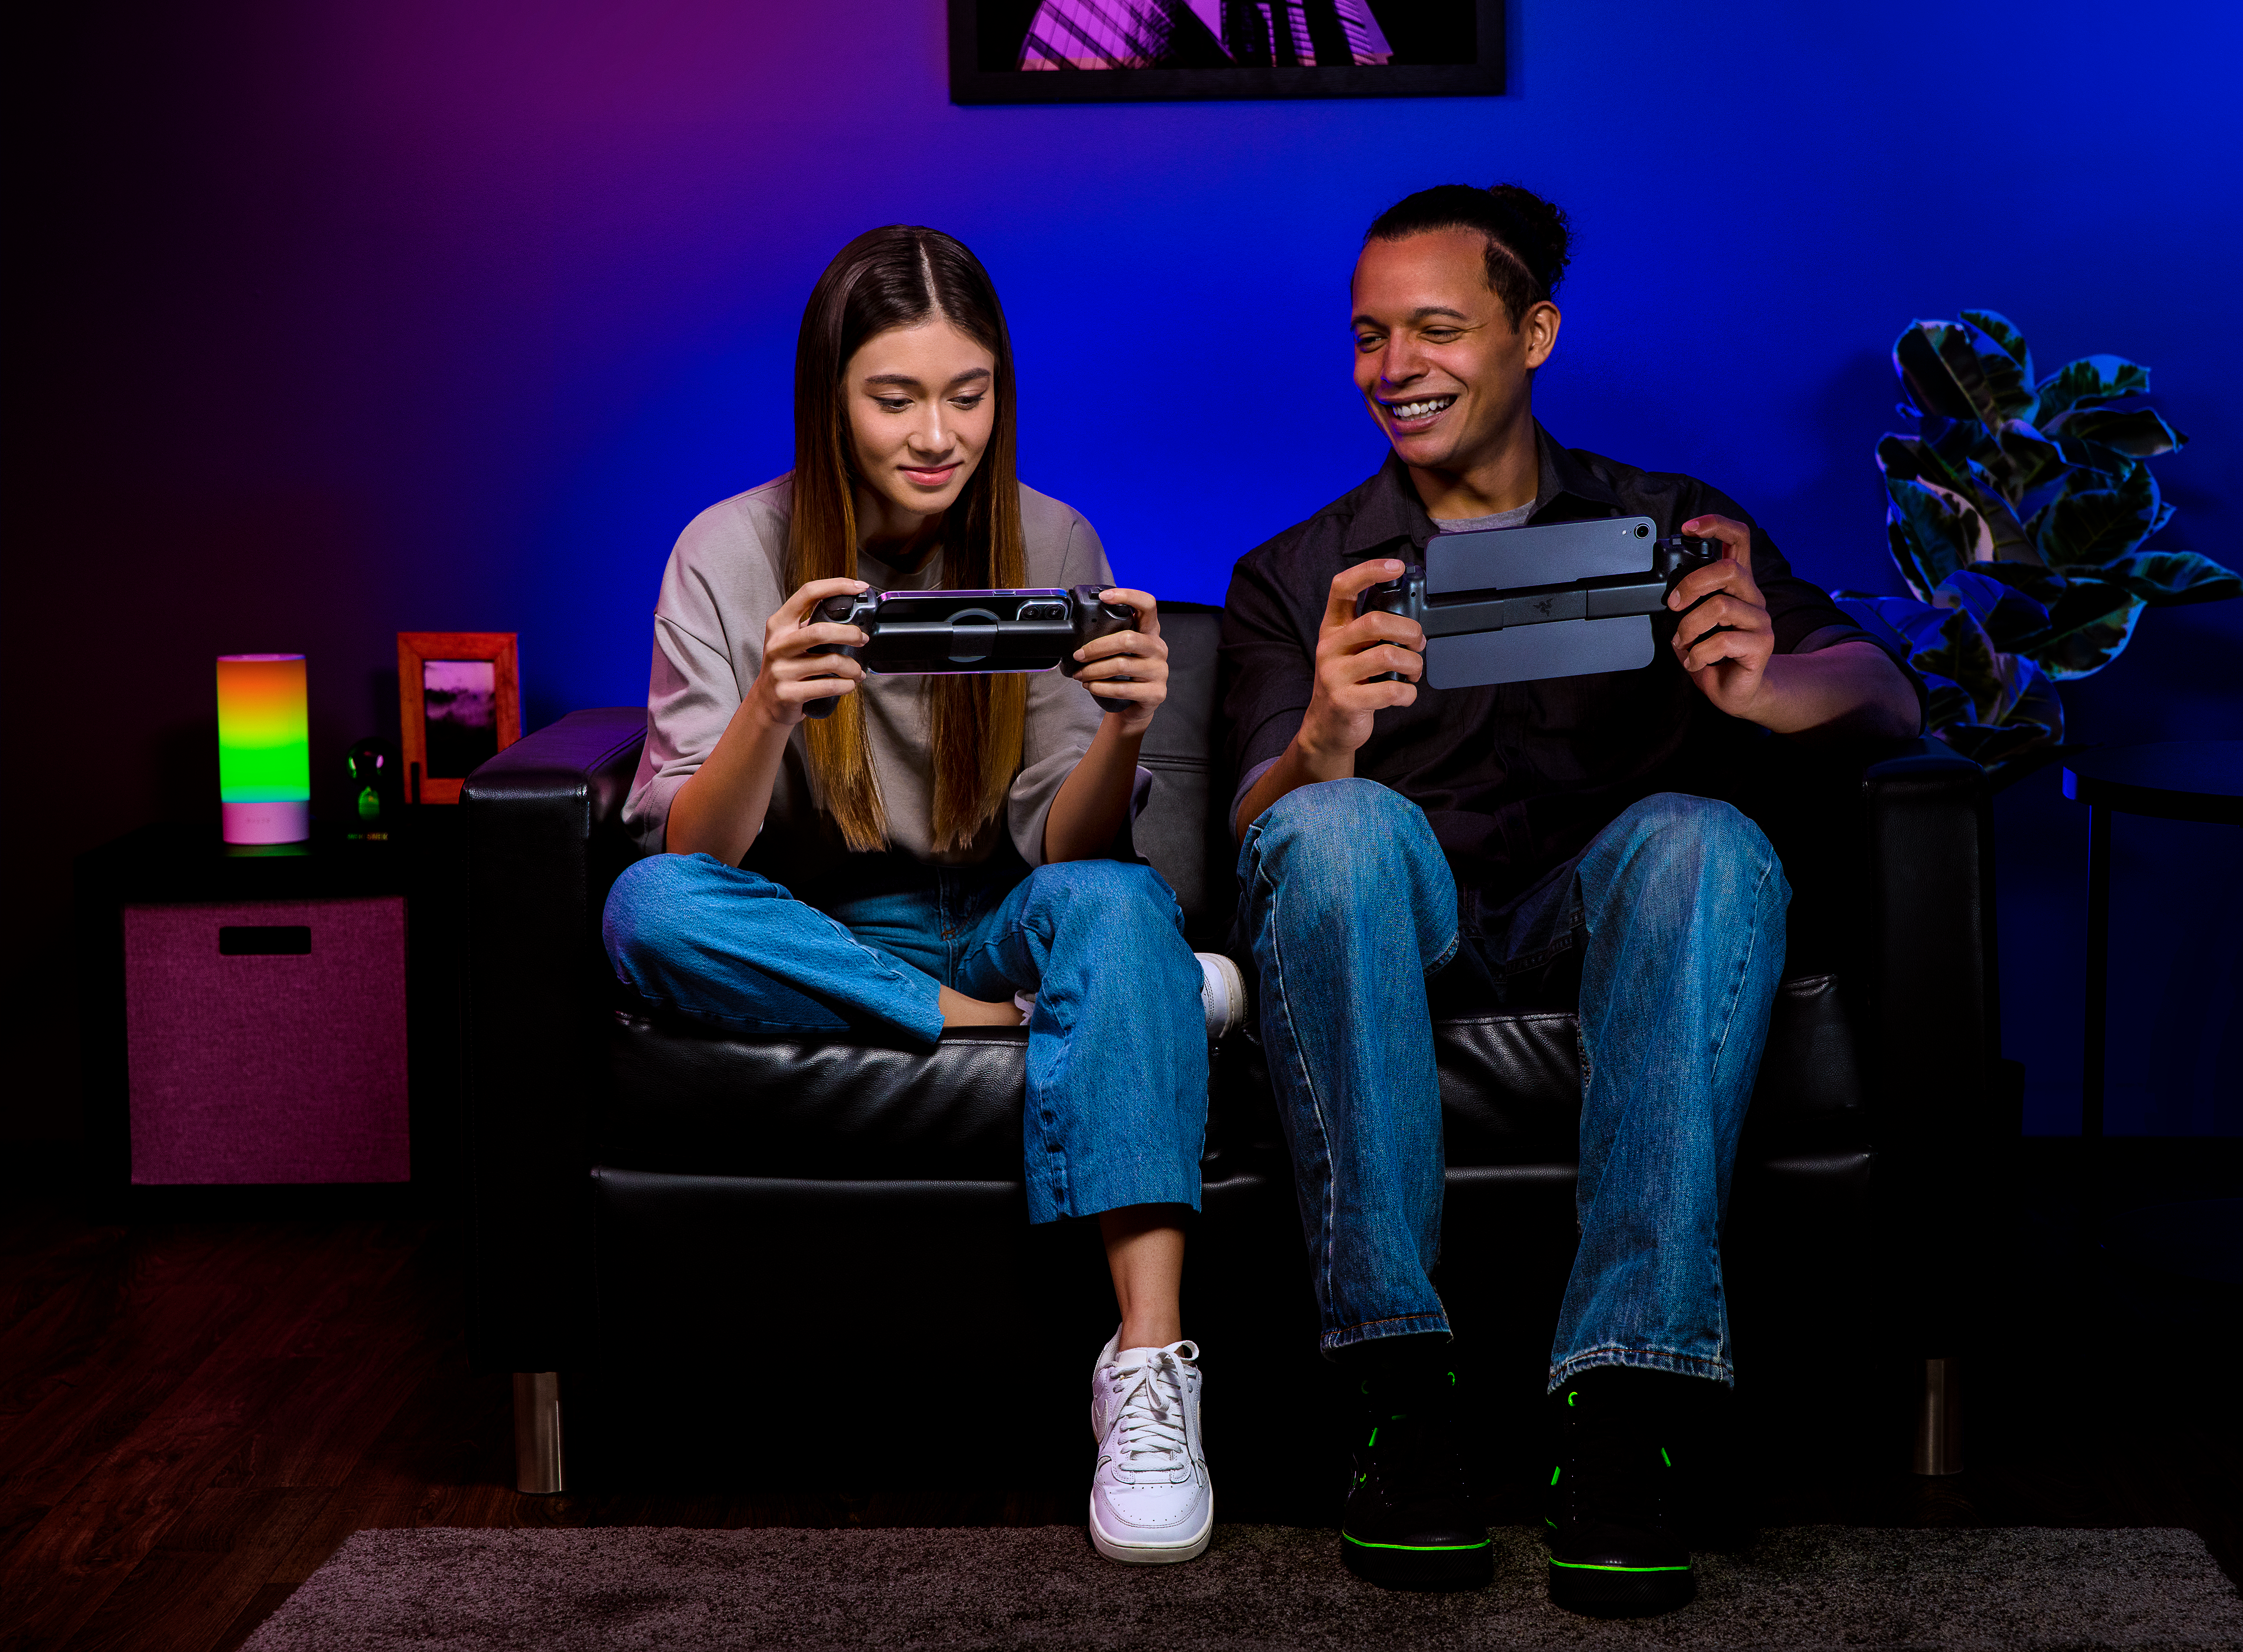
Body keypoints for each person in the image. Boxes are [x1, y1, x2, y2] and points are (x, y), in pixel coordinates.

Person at [1220, 184, 1921, 1618]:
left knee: (1705, 837)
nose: (1392, 367)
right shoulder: (1297, 575)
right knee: (1335, 829)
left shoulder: (1673, 526)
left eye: (1433, 329)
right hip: (1396, 921)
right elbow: (1249, 828)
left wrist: (1770, 686)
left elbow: (1888, 694)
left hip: (1601, 918)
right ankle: (1400, 1395)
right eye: (1367, 337)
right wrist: (1321, 743)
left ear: (1533, 332)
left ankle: (1625, 1410)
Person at [604, 226, 1217, 1567]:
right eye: (896, 398)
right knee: (645, 911)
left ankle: (1151, 1368)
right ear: (831, 397)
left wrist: (1124, 729)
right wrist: (771, 703)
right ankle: (1057, 1018)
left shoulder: (1050, 534)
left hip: (1011, 908)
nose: (938, 434)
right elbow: (692, 861)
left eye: (969, 392)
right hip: (820, 933)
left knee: (1117, 907)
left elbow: (1072, 850)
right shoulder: (726, 548)